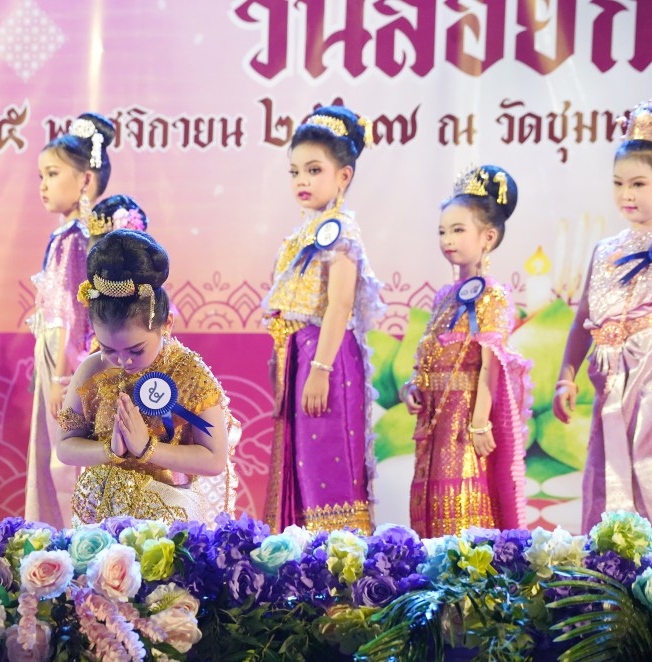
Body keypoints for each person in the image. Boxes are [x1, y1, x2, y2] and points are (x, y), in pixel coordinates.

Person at [56, 229, 237, 525]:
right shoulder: (92, 370)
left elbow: (214, 459)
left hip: (167, 514)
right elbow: (65, 446)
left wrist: (147, 449)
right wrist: (109, 450)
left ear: (167, 324)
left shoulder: (189, 373)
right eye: (108, 349)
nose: (123, 361)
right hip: (100, 515)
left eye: (136, 349)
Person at [261, 106, 384, 533]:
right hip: (301, 356)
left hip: (326, 358)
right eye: (295, 171)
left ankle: (339, 560)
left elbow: (340, 305)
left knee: (325, 467)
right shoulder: (302, 233)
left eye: (314, 170)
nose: (302, 181)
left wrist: (320, 369)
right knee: (301, 466)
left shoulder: (341, 231)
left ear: (343, 176)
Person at [401, 165, 531, 537]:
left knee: (464, 504)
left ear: (488, 236)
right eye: (442, 231)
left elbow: (492, 364)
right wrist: (413, 386)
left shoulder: (492, 294)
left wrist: (479, 422)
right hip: (435, 420)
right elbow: (430, 355)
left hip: (466, 419)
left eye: (458, 230)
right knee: (431, 502)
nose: (448, 240)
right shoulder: (444, 296)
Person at [554, 101, 652, 529]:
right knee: (607, 477)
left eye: (638, 184)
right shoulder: (606, 250)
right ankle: (611, 563)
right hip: (611, 383)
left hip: (648, 379)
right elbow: (583, 319)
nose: (626, 195)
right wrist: (566, 376)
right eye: (618, 183)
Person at [26, 112, 115, 527]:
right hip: (57, 351)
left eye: (53, 173)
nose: (43, 185)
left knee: (63, 454)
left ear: (85, 180)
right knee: (53, 449)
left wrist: (62, 375)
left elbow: (71, 310)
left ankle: (65, 537)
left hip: (65, 356)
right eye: (41, 175)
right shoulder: (67, 234)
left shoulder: (76, 237)